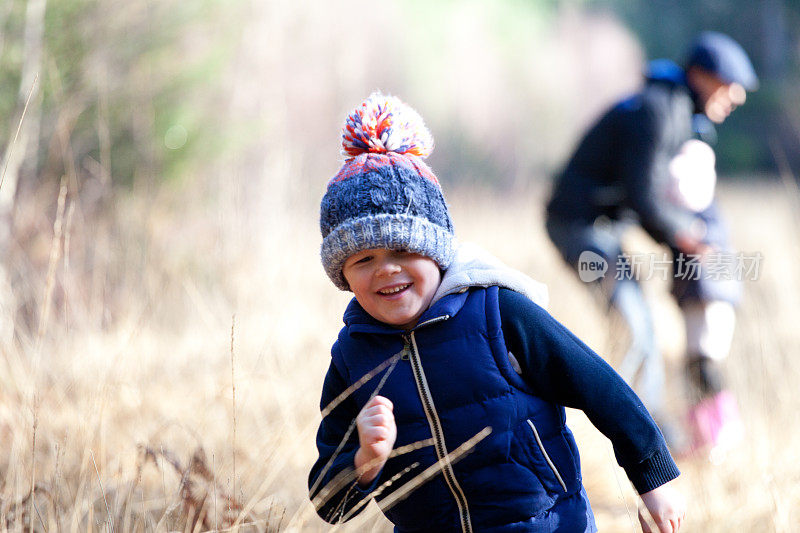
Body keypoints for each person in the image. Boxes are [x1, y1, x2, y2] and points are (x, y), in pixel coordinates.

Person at [309, 92, 685, 532]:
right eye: (362, 260)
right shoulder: (353, 357)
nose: (385, 269)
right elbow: (328, 504)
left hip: (544, 524)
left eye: (401, 249)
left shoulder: (496, 311)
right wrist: (365, 462)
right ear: (343, 275)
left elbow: (597, 386)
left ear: (435, 250)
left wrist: (651, 475)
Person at [545, 32, 758, 456]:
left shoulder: (675, 110)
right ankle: (638, 441)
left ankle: (649, 433)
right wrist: (686, 236)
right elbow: (645, 195)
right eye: (729, 84)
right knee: (636, 329)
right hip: (580, 224)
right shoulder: (660, 110)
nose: (736, 97)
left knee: (639, 325)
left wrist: (683, 235)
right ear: (700, 75)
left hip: (602, 227)